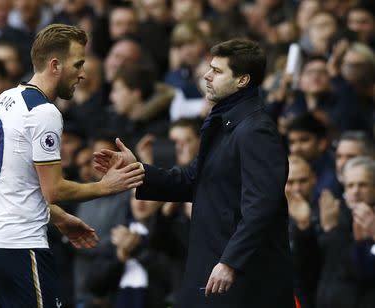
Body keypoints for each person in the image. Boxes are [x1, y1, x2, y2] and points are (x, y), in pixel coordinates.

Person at [94, 39, 294, 308]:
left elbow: (261, 207)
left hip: (243, 278)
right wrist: (137, 170)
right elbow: (193, 179)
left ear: (243, 80)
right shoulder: (225, 123)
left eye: (218, 71)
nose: (206, 76)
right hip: (213, 266)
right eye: (210, 68)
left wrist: (231, 262)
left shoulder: (255, 130)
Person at [0, 24, 145, 308]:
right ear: (55, 65)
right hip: (22, 247)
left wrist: (61, 218)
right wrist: (106, 186)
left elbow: (17, 184)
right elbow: (54, 189)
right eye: (78, 64)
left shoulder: (4, 99)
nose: (82, 73)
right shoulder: (44, 112)